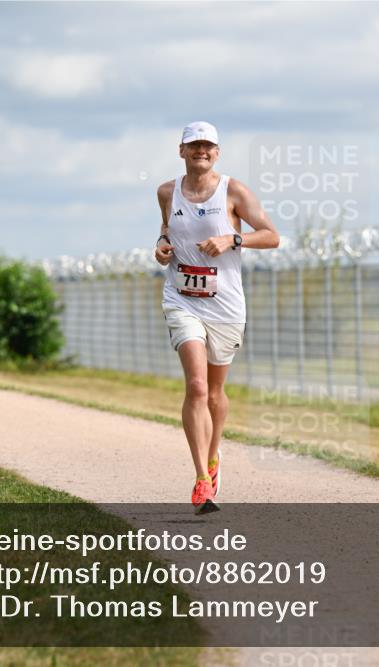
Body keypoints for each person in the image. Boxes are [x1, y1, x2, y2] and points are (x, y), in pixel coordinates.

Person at [154, 121, 279, 514]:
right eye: (194, 145)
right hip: (182, 299)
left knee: (213, 393)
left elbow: (271, 235)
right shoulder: (167, 192)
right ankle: (201, 481)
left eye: (207, 146)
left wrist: (233, 238)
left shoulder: (234, 191)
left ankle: (213, 455)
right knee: (195, 386)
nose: (201, 151)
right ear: (182, 151)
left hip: (225, 304)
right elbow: (167, 229)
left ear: (217, 152)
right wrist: (161, 245)